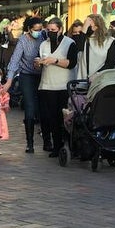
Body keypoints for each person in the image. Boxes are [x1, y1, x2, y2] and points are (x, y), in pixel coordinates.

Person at [35, 16, 78, 156]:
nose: (50, 32)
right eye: (48, 30)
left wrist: (55, 60)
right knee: (52, 117)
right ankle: (56, 145)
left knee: (64, 117)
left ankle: (68, 145)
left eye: (53, 30)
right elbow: (39, 62)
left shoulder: (69, 43)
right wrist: (38, 63)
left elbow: (71, 63)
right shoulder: (43, 44)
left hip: (64, 85)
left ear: (60, 29)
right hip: (47, 85)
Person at [2, 16, 45, 153]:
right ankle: (30, 143)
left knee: (44, 107)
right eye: (36, 29)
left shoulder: (44, 37)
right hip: (27, 76)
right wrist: (9, 80)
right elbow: (15, 60)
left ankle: (47, 140)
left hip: (44, 75)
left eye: (40, 29)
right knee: (30, 107)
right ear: (29, 29)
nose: (38, 31)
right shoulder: (23, 40)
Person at [75, 13, 115, 81]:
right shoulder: (84, 39)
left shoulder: (109, 41)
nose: (86, 26)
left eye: (89, 24)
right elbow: (79, 48)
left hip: (101, 81)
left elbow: (110, 63)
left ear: (97, 26)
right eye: (85, 24)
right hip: (83, 80)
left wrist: (97, 74)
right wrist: (84, 28)